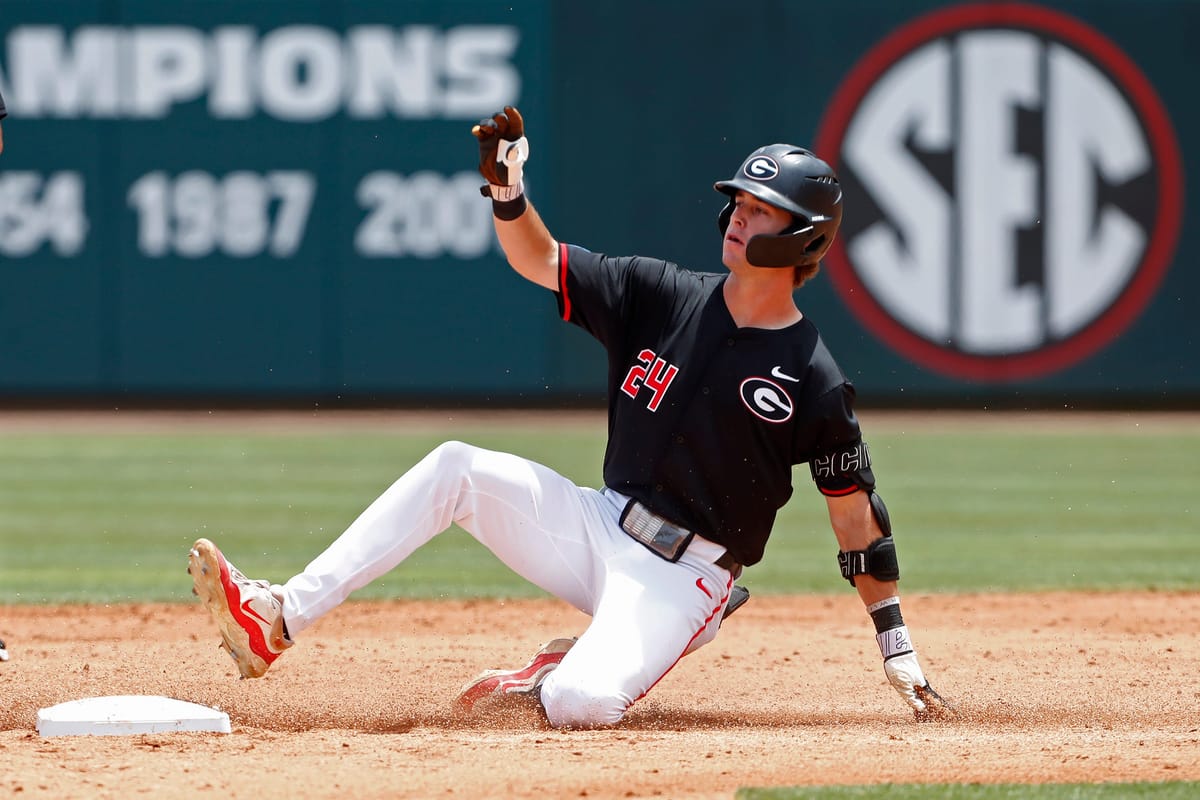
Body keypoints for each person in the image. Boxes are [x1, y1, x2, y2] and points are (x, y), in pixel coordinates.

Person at [189, 106, 951, 729]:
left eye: (760, 211)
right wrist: (507, 196)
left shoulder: (811, 378)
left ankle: (561, 668)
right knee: (456, 464)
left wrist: (896, 646)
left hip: (685, 576)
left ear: (801, 236)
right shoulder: (660, 294)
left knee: (580, 704)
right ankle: (277, 615)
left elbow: (857, 517)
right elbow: (540, 259)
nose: (738, 218)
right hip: (596, 521)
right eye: (740, 204)